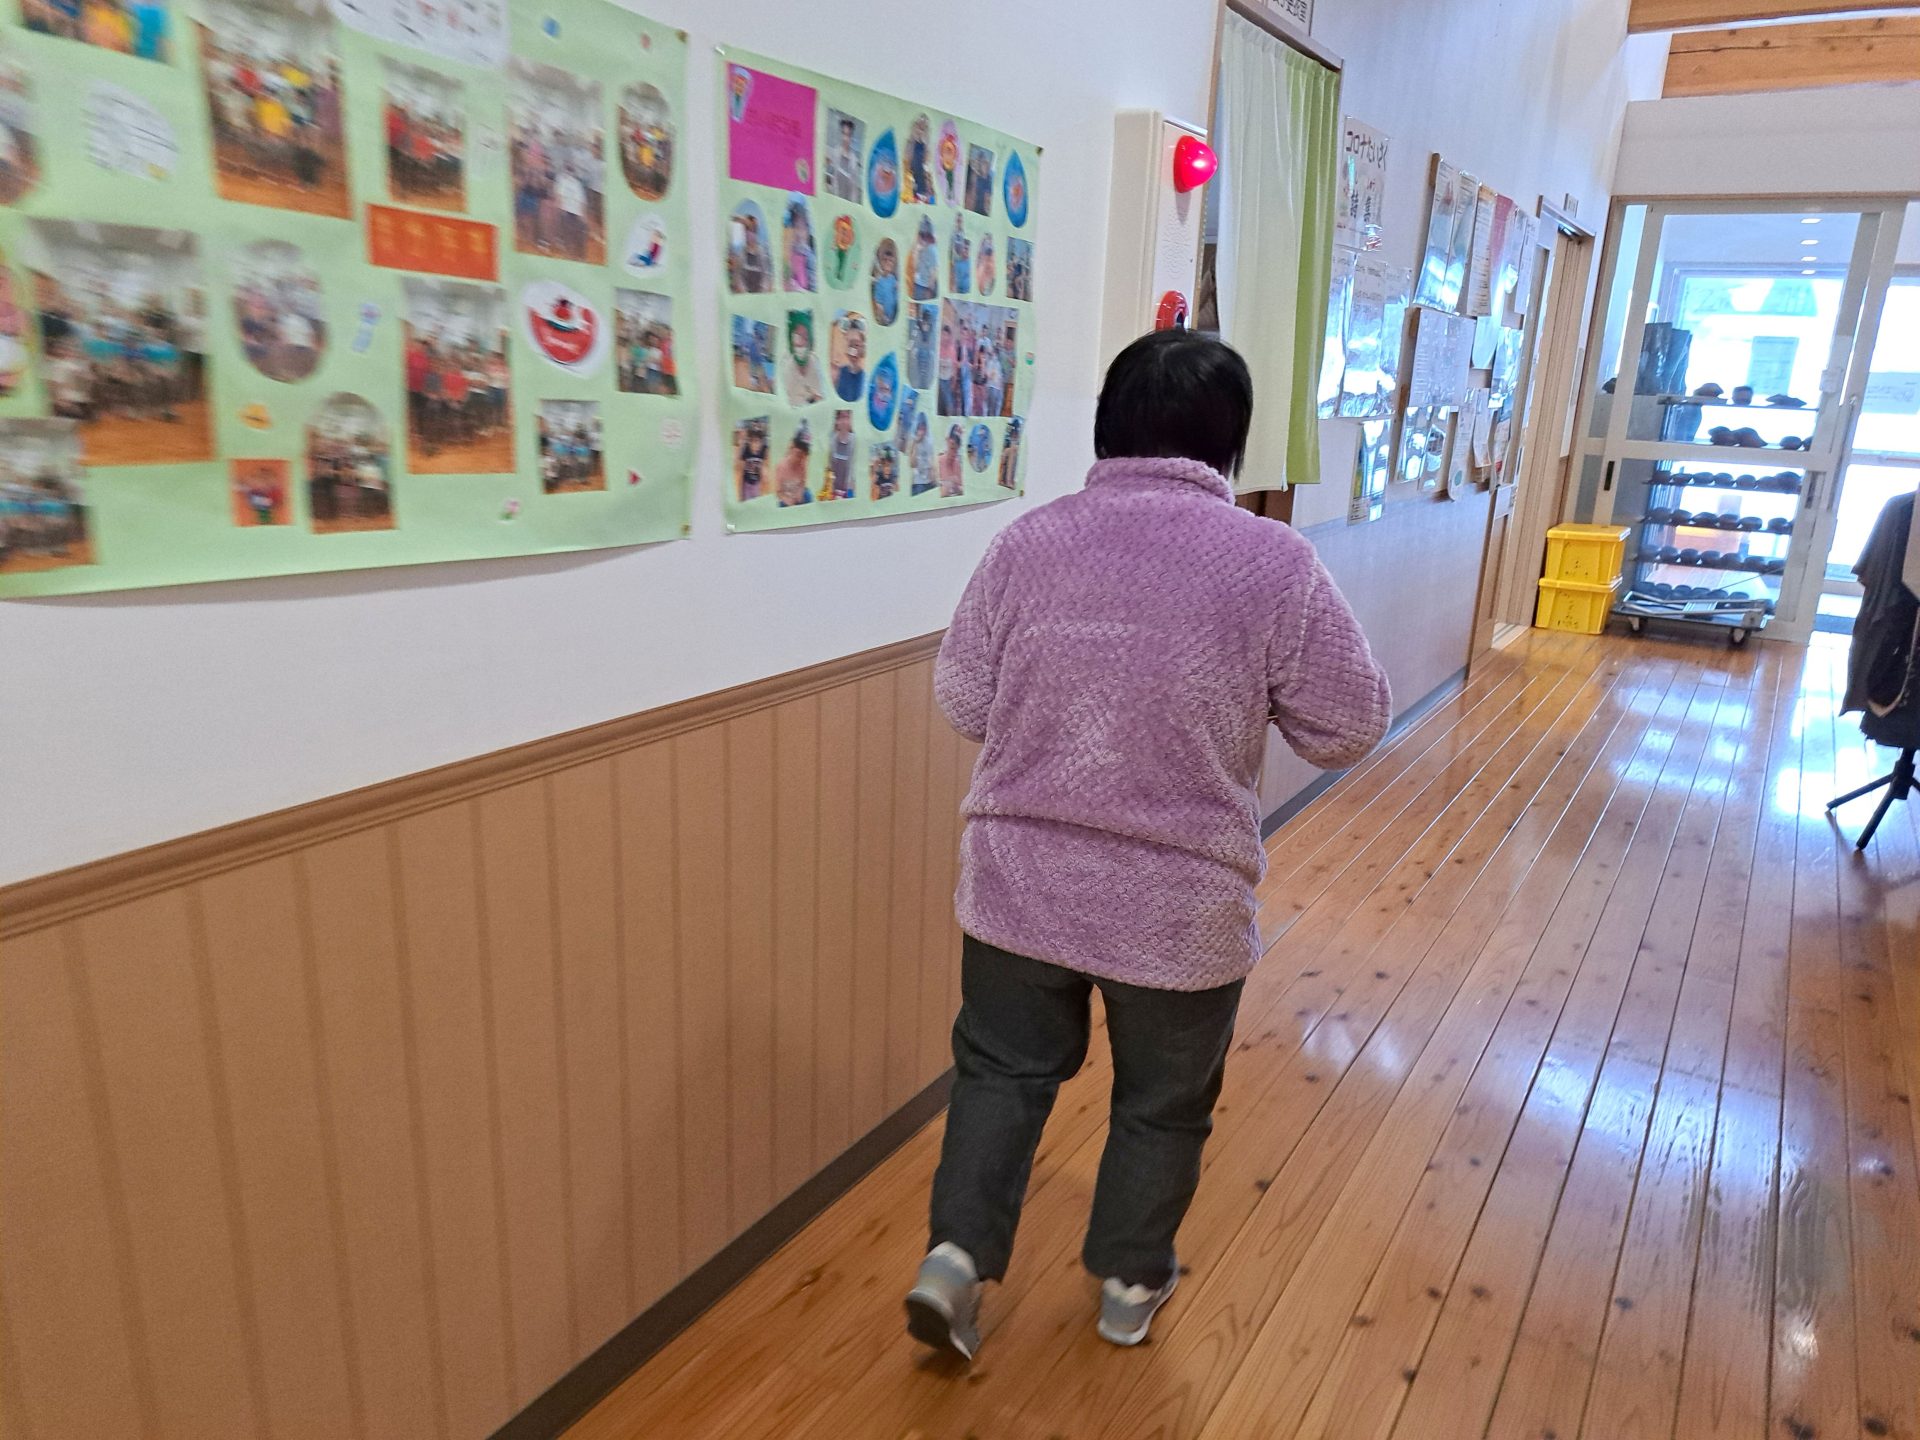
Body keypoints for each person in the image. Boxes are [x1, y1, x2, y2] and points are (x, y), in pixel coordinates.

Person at [904, 329, 1390, 1361]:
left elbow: (964, 700)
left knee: (999, 1073)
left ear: (1108, 426)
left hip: (1019, 884)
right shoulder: (1274, 563)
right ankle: (1128, 1284)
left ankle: (954, 1257)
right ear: (1230, 440)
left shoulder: (1028, 543)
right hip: (1179, 905)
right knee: (1164, 1105)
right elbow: (1347, 725)